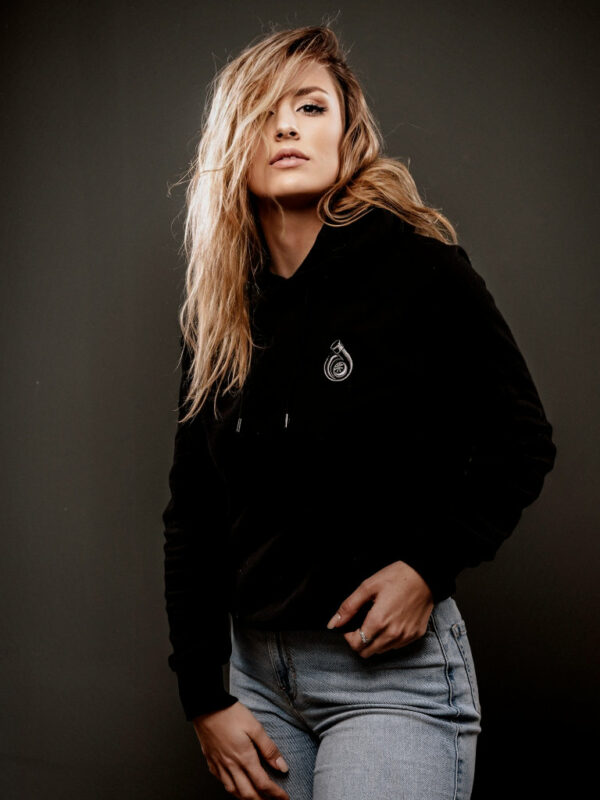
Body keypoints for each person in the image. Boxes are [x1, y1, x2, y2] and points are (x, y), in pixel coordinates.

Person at [162, 25, 557, 800]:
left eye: (310, 107)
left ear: (348, 134)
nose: (286, 127)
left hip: (389, 679)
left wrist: (427, 567)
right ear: (233, 143)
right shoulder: (220, 311)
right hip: (256, 681)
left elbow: (521, 439)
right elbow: (194, 511)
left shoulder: (417, 269)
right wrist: (203, 695)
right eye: (265, 111)